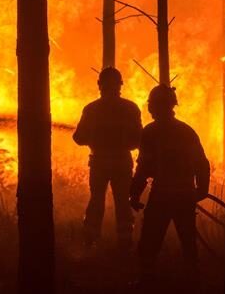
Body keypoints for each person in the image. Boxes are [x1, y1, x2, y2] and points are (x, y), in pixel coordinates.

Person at [129, 84, 210, 284]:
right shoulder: (186, 131)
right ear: (172, 105)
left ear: (154, 106)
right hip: (184, 194)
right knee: (188, 241)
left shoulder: (150, 132)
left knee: (149, 241)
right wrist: (201, 190)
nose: (150, 108)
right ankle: (193, 281)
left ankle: (146, 280)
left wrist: (135, 193)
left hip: (163, 195)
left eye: (152, 105)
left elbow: (144, 167)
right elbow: (202, 163)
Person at [73, 67, 142, 248]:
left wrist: (94, 138)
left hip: (99, 162)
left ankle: (90, 238)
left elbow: (78, 138)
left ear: (99, 85)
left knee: (96, 199)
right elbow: (138, 140)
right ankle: (125, 239)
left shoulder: (91, 109)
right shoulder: (130, 108)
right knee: (122, 200)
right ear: (120, 85)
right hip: (122, 162)